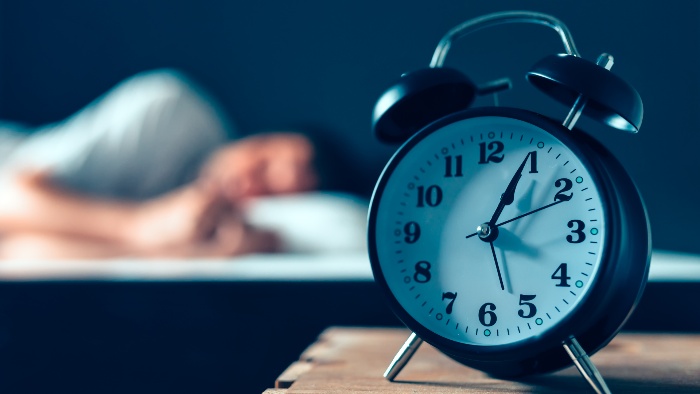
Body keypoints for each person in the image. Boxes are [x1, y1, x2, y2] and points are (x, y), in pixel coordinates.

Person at [0, 70, 321, 259]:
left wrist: (180, 249)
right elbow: (9, 198)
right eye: (263, 162)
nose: (248, 183)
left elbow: (18, 251)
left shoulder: (200, 231)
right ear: (259, 135)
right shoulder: (172, 111)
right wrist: (138, 225)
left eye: (267, 193)